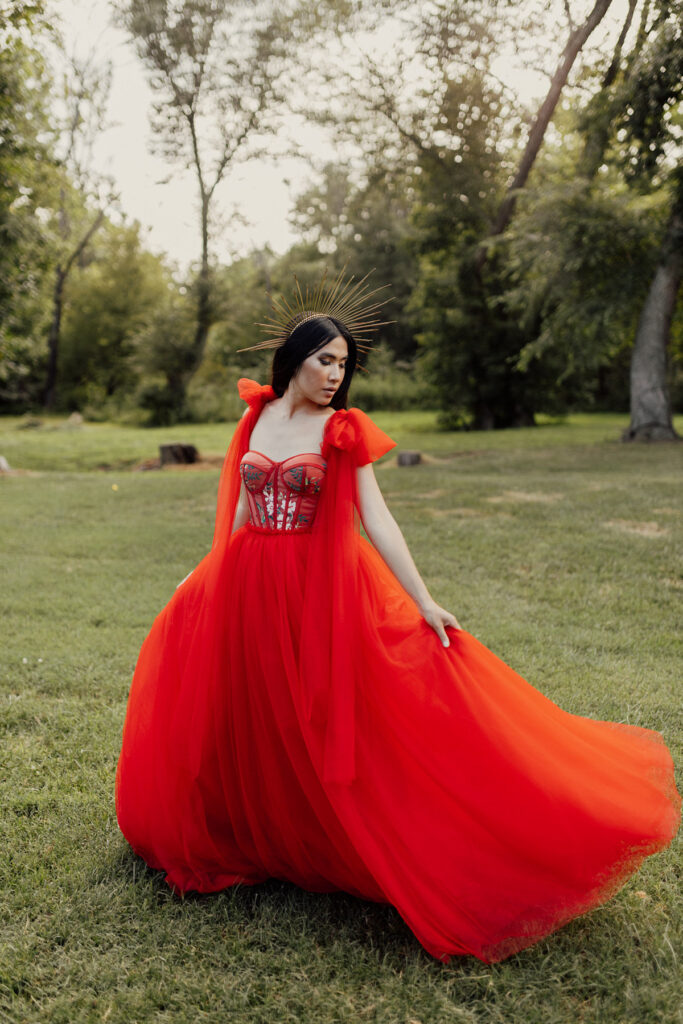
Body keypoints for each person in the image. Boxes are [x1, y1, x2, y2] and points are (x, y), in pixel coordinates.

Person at [115, 270, 680, 965]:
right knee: (257, 708)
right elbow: (236, 507)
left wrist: (422, 597)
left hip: (319, 587)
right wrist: (203, 574)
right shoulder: (252, 417)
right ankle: (260, 830)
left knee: (332, 713)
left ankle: (356, 835)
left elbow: (376, 520)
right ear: (294, 357)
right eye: (324, 359)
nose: (334, 374)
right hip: (248, 580)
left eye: (343, 364)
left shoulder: (342, 431)